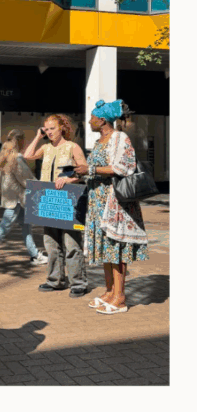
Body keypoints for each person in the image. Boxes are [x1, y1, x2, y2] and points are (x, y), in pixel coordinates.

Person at [74, 100, 147, 315]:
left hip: (115, 202)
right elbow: (93, 169)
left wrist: (91, 169)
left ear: (102, 120)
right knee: (106, 247)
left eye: (92, 118)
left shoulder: (119, 138)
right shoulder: (100, 141)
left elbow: (123, 167)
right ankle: (109, 291)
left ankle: (120, 298)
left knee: (116, 248)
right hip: (98, 200)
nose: (89, 121)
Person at [23, 114, 88, 297]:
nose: (49, 132)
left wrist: (68, 178)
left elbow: (84, 170)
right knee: (51, 243)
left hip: (68, 200)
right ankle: (55, 280)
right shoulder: (45, 147)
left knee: (71, 243)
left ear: (62, 128)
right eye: (47, 129)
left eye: (52, 128)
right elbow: (27, 155)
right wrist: (38, 136)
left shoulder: (72, 147)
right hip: (47, 199)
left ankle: (78, 283)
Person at [0, 129, 48, 270]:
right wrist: (43, 188)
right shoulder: (17, 158)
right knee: (3, 229)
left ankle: (35, 255)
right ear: (20, 141)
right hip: (17, 200)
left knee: (26, 226)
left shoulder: (5, 156)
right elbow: (27, 179)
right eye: (23, 140)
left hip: (13, 199)